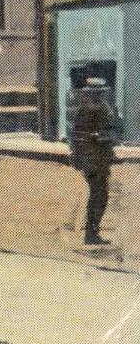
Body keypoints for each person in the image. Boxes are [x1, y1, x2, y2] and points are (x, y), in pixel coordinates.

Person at [71, 79, 117, 245]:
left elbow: (110, 129)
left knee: (100, 196)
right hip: (92, 160)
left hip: (100, 159)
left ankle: (92, 232)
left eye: (99, 92)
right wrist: (97, 137)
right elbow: (78, 136)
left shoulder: (102, 107)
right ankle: (91, 233)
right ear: (90, 93)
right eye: (96, 92)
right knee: (99, 196)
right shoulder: (86, 109)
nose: (98, 95)